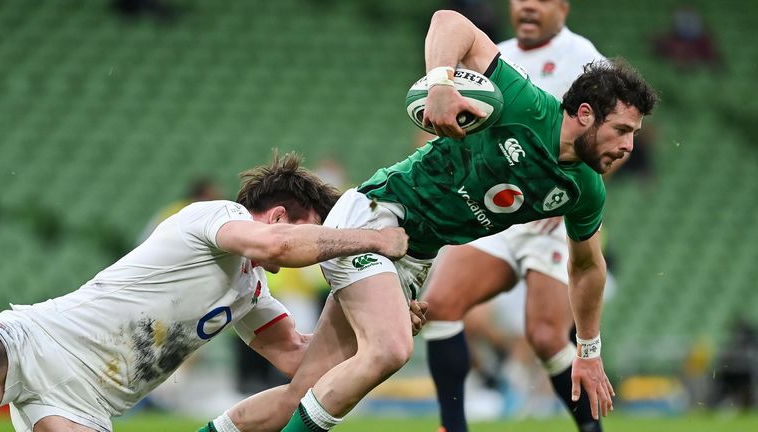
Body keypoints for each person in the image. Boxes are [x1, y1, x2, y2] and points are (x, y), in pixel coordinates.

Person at [205, 9, 658, 432]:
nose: (628, 148)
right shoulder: (526, 105)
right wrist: (440, 83)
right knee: (390, 349)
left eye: (633, 136)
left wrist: (589, 350)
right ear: (584, 115)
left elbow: (586, 267)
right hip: (378, 218)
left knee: (299, 395)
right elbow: (449, 21)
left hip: (413, 257)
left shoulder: (585, 190)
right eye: (622, 130)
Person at [0, 151, 419, 431]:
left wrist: (377, 324)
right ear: (277, 216)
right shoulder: (216, 216)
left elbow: (297, 357)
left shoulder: (250, 289)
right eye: (317, 234)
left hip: (84, 406)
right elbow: (279, 245)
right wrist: (374, 240)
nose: (320, 255)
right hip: (36, 341)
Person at [419, 1, 609, 431]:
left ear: (563, 6)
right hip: (496, 209)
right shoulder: (493, 54)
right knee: (441, 305)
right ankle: (453, 426)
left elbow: (605, 145)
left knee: (545, 336)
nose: (526, 6)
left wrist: (572, 201)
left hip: (553, 217)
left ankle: (591, 428)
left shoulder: (585, 60)